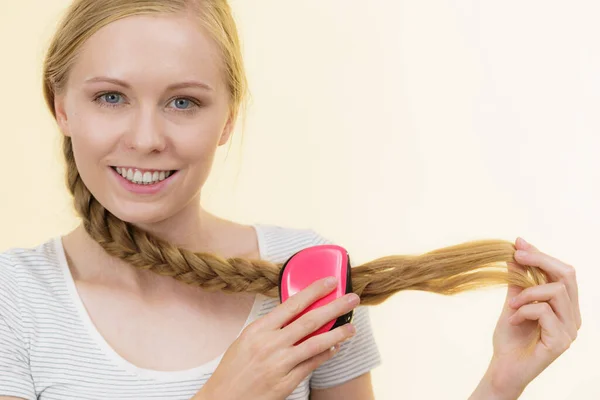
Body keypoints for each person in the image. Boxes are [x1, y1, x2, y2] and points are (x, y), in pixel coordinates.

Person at [0, 1, 581, 399]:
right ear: (62, 106)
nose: (147, 138)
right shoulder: (14, 298)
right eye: (110, 97)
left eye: (183, 103)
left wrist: (501, 383)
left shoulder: (307, 274)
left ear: (228, 117)